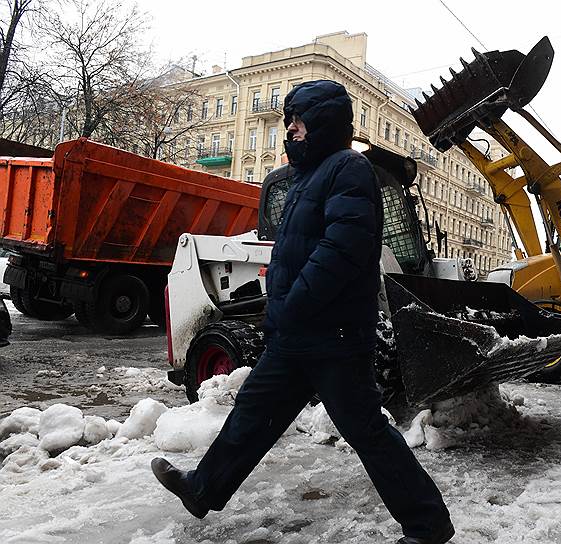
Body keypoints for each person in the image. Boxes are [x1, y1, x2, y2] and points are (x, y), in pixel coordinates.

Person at [151, 80, 455, 544]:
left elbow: (341, 250)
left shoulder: (347, 169)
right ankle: (202, 488)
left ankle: (428, 525)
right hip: (296, 334)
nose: (290, 130)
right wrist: (282, 309)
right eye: (288, 121)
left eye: (298, 121)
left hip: (331, 335)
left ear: (323, 124)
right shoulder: (305, 178)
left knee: (367, 430)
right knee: (252, 413)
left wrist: (292, 304)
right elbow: (294, 250)